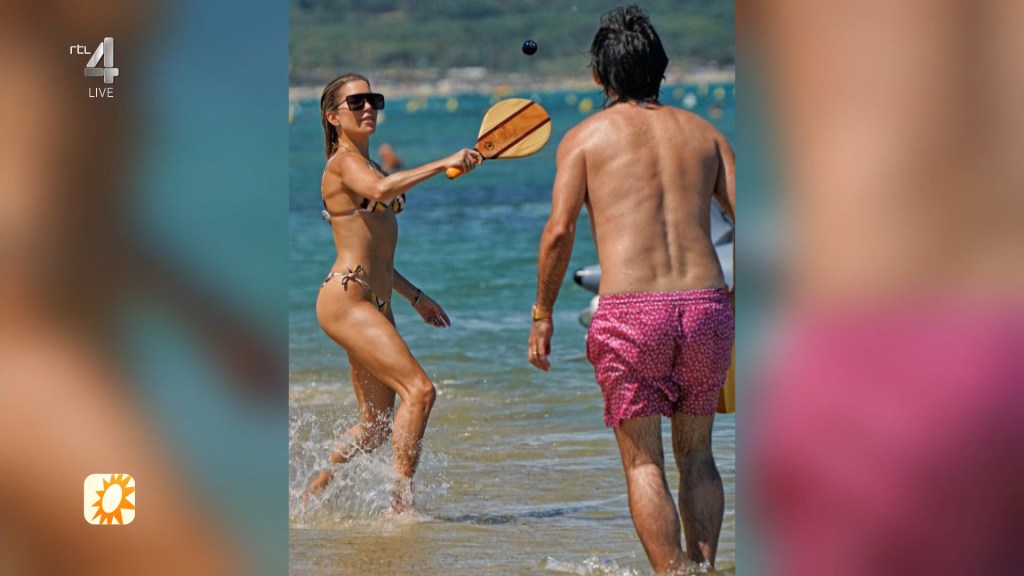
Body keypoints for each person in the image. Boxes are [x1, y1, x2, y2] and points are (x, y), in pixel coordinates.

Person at [526, 6, 735, 573]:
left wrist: (543, 311)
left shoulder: (585, 139)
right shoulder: (707, 135)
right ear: (662, 68)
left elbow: (559, 232)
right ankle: (705, 568)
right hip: (706, 306)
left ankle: (674, 573)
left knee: (644, 463)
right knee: (698, 452)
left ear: (599, 75)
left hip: (633, 313)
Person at [304, 73, 482, 514]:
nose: (368, 107)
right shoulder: (343, 164)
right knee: (420, 391)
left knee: (374, 427)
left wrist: (415, 297)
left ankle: (305, 500)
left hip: (375, 300)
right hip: (347, 298)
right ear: (333, 117)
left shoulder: (372, 167)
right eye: (356, 102)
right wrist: (442, 163)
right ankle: (400, 508)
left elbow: (379, 254)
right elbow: (382, 193)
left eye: (374, 100)